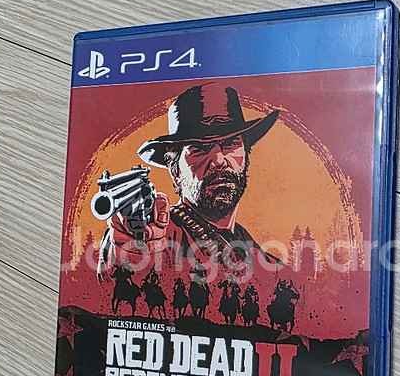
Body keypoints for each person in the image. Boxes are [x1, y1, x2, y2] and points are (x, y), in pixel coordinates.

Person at [98, 82, 283, 280]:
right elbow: (120, 273)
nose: (218, 160)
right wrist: (132, 251)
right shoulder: (158, 233)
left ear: (246, 158)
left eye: (230, 143)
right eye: (199, 149)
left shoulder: (266, 265)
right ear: (175, 173)